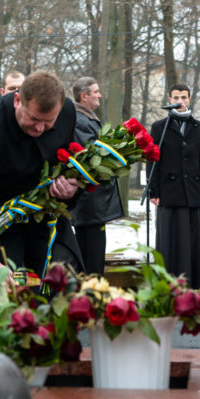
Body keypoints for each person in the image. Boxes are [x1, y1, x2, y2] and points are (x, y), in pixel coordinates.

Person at [0, 70, 83, 281]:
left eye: (49, 122)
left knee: (59, 281)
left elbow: (72, 159)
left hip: (42, 211)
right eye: (34, 119)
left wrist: (72, 187)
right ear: (17, 100)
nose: (40, 128)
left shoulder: (67, 111)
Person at [147, 83, 200, 289]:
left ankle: (193, 282)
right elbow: (152, 159)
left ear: (189, 99)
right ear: (169, 100)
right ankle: (168, 282)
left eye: (184, 97)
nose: (180, 102)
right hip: (169, 192)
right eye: (176, 97)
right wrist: (153, 189)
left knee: (191, 239)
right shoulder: (159, 127)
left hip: (192, 193)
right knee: (170, 238)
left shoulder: (198, 127)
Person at [69, 77, 123, 274]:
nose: (100, 95)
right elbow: (93, 160)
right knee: (92, 259)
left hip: (92, 204)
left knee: (94, 254)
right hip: (89, 204)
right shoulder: (81, 121)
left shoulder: (86, 118)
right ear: (84, 96)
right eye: (96, 92)